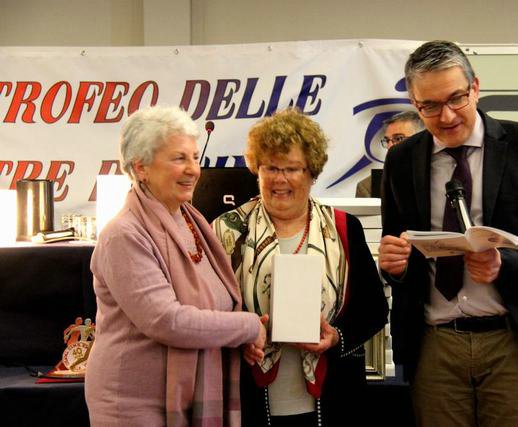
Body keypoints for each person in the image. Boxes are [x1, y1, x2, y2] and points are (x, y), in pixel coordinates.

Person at [378, 40, 518, 426]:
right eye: (429, 106)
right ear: (414, 103)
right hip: (435, 346)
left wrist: (505, 263)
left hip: (514, 341)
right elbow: (397, 248)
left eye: (456, 98)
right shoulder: (402, 159)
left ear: (475, 88)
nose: (446, 116)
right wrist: (394, 265)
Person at [85, 105, 267, 426]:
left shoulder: (192, 222)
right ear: (141, 167)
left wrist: (238, 340)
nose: (193, 169)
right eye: (179, 158)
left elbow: (214, 303)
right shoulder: (123, 235)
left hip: (181, 401)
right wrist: (247, 327)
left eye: (195, 157)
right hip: (133, 406)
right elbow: (166, 321)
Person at [212, 108, 388, 427]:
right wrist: (240, 337)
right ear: (256, 169)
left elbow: (374, 309)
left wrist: (336, 337)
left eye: (292, 168)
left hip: (331, 397)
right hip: (249, 397)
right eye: (270, 167)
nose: (280, 179)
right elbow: (207, 313)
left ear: (312, 173)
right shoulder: (226, 231)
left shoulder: (343, 228)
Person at [356, 110, 424, 197]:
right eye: (387, 141)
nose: (390, 146)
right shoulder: (368, 187)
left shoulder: (440, 174)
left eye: (399, 139)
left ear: (423, 139)